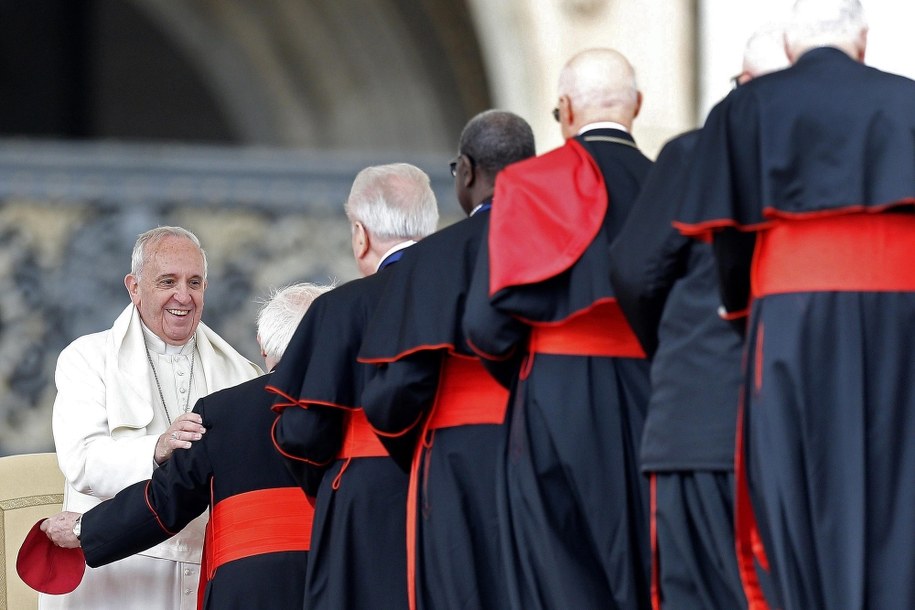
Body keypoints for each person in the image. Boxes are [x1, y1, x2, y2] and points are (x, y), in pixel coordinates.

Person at [673, 1, 915, 608]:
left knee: (795, 470)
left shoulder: (745, 108)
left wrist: (740, 314)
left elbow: (727, 242)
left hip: (788, 313)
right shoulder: (909, 97)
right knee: (897, 470)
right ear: (863, 38)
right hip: (901, 312)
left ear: (787, 47)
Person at [463, 48, 653, 609]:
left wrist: (527, 375)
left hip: (555, 391)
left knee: (557, 565)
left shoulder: (530, 183)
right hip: (653, 392)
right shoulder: (673, 178)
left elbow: (485, 323)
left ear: (565, 110)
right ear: (637, 106)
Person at [609, 28, 787, 610]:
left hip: (700, 416)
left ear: (740, 85)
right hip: (799, 419)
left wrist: (671, 347)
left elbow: (636, 272)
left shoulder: (693, 154)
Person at [38, 282, 330, 609]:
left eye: (194, 282)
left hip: (249, 590)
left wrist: (84, 529)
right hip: (348, 576)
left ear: (262, 345)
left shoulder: (223, 411)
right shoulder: (370, 408)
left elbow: (165, 502)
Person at [357, 110, 535, 610]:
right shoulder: (566, 241)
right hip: (557, 442)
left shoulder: (430, 258)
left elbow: (396, 393)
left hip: (459, 460)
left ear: (469, 171)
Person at [45, 226, 262, 610]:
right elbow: (82, 463)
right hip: (119, 569)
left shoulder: (243, 375)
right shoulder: (87, 358)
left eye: (194, 282)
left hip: (206, 565)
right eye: (167, 281)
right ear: (134, 287)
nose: (184, 296)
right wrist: (157, 448)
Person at [268, 163, 439, 609]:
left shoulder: (339, 308)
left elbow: (303, 434)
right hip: (456, 487)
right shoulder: (467, 292)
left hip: (365, 501)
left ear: (360, 234)